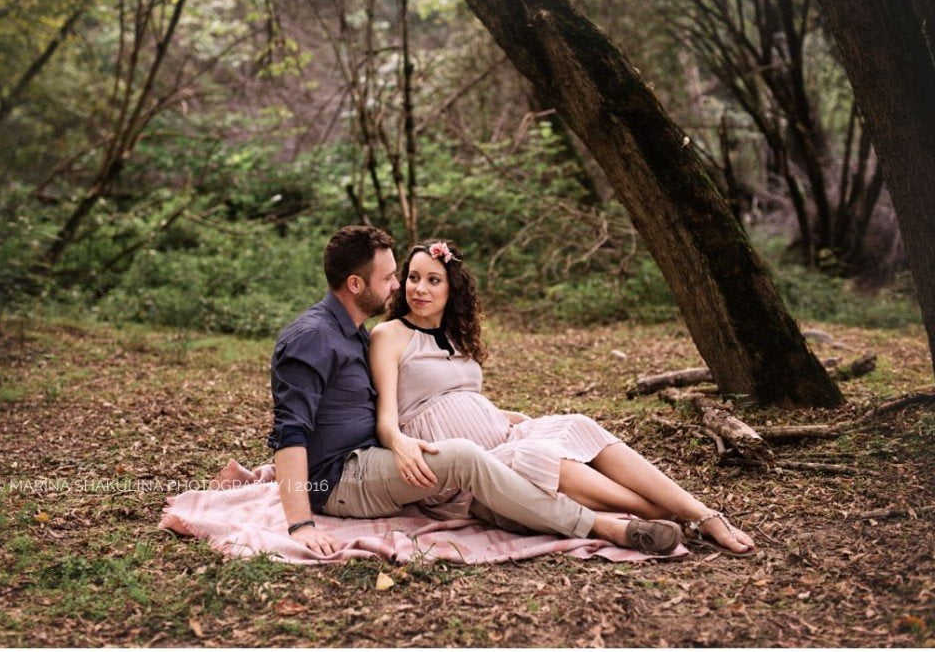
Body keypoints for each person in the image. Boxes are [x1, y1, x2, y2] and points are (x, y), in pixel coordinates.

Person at [268, 226, 684, 557]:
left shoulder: (355, 332)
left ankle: (661, 511)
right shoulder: (312, 338)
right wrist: (301, 523)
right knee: (464, 456)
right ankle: (606, 526)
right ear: (356, 284)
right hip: (338, 480)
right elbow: (290, 433)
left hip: (375, 461)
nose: (399, 286)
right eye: (392, 277)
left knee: (497, 472)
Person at [368, 239, 755, 556]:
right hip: (461, 468)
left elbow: (457, 395)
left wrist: (500, 413)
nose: (420, 289)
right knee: (542, 457)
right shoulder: (389, 335)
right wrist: (398, 445)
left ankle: (696, 511)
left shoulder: (455, 337)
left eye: (433, 280)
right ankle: (683, 514)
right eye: (414, 278)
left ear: (452, 288)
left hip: (499, 435)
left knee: (579, 424)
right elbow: (389, 415)